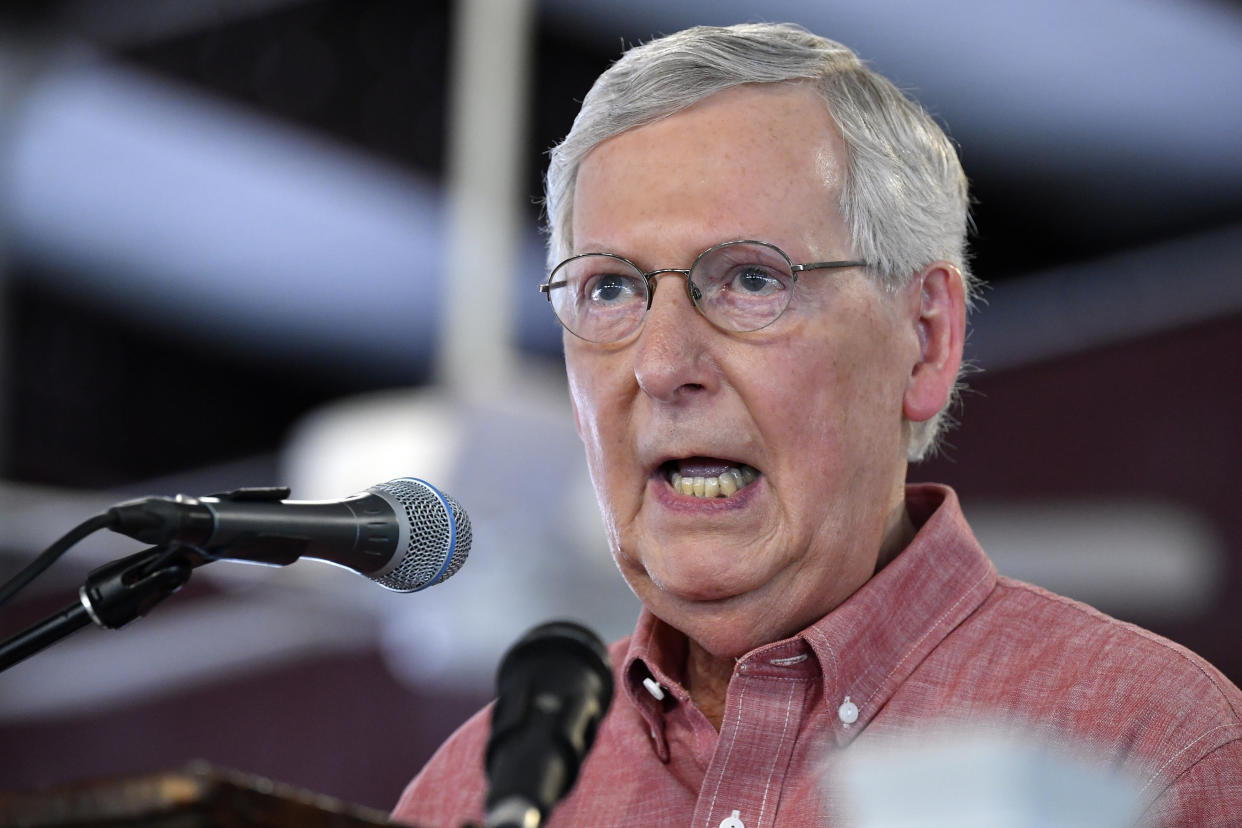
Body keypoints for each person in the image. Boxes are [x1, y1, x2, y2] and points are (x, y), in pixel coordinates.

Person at [392, 22, 1242, 827]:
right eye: (609, 289)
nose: (660, 364)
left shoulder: (1154, 749)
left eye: (750, 281)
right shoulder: (471, 793)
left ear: (925, 338)